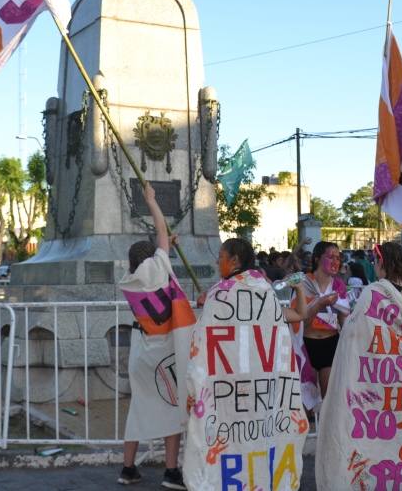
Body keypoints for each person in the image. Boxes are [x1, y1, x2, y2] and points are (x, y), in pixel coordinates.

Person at [184, 237, 307, 490]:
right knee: (257, 437)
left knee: (233, 438)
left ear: (234, 260)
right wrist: (299, 290)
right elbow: (298, 315)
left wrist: (196, 385)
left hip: (229, 389)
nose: (217, 261)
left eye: (221, 256)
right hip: (258, 388)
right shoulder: (266, 293)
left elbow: (202, 345)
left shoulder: (221, 294)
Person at [316, 240, 402, 490]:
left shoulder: (374, 292)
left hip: (377, 384)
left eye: (376, 261)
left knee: (372, 435)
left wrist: (345, 321)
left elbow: (356, 331)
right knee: (401, 432)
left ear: (382, 262)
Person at [117, 184, 194, 489]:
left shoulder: (130, 280)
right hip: (165, 352)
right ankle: (170, 472)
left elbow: (160, 253)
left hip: (141, 351)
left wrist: (167, 247)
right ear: (154, 257)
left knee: (138, 408)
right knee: (172, 409)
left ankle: (127, 469)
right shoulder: (159, 267)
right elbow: (161, 230)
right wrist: (151, 200)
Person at [301, 241, 346, 399]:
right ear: (317, 259)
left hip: (331, 344)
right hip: (307, 345)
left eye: (338, 258)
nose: (335, 262)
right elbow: (300, 321)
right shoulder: (303, 284)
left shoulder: (339, 285)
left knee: (329, 400)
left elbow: (343, 318)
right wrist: (319, 304)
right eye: (330, 257)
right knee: (306, 400)